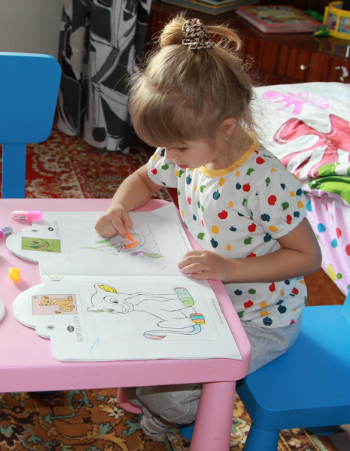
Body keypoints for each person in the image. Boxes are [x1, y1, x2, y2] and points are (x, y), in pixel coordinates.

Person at [95, 16, 322, 443]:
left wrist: (231, 269)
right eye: (165, 148)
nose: (170, 158)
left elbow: (308, 257)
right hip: (204, 295)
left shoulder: (267, 183)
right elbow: (144, 179)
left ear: (226, 128)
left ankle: (167, 413)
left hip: (260, 318)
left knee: (168, 396)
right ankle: (154, 398)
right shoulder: (188, 151)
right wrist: (118, 206)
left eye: (178, 148)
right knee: (120, 323)